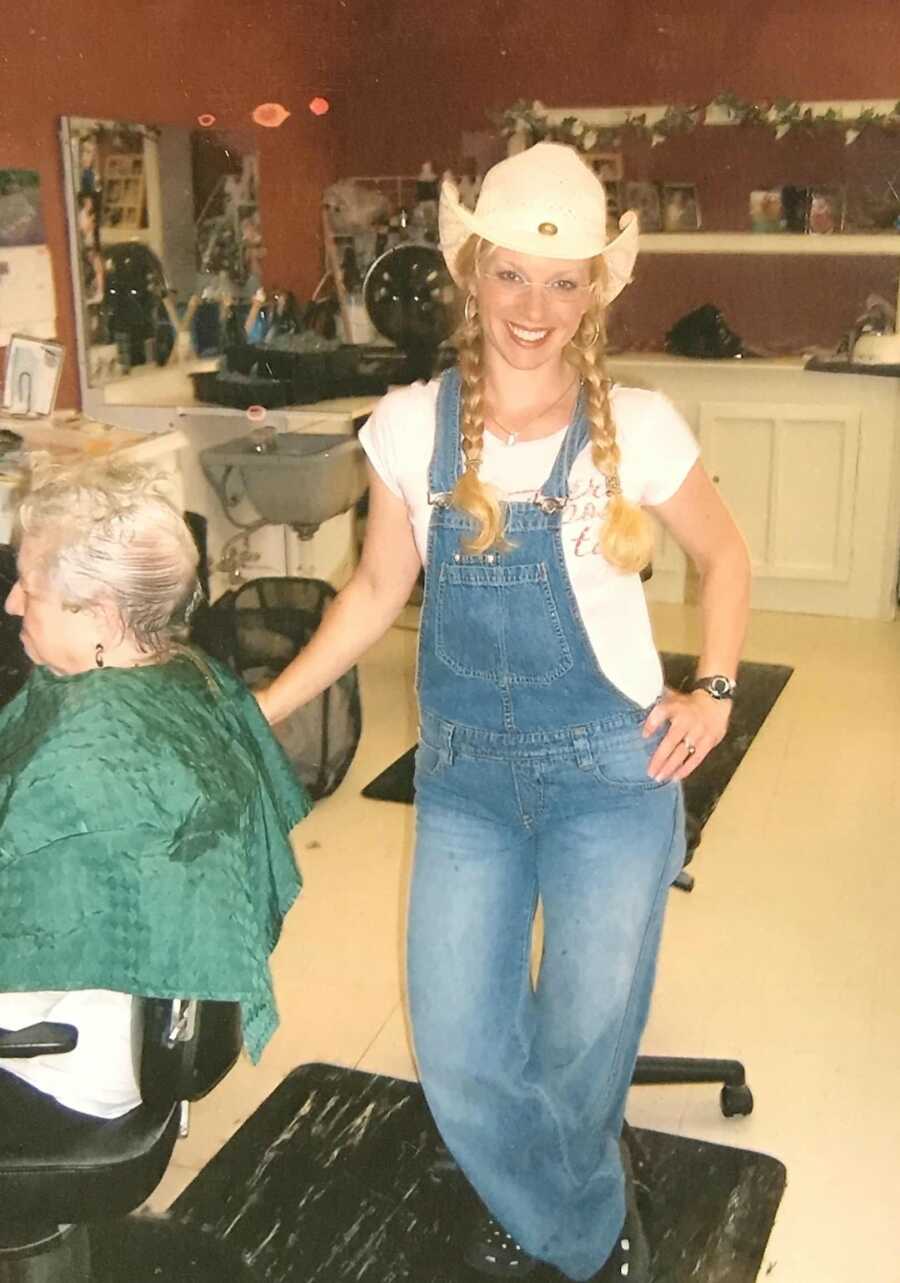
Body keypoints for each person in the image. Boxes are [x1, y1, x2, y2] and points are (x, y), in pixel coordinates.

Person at [256, 142, 750, 1282]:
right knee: (464, 1048)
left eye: (565, 278)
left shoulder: (641, 421)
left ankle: (557, 1224)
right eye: (513, 275)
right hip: (469, 781)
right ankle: (578, 1217)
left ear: (594, 295)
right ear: (471, 274)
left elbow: (725, 557)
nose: (536, 306)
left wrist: (714, 693)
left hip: (610, 778)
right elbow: (377, 591)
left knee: (582, 1048)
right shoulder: (407, 427)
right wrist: (264, 707)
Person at [0, 458, 308, 1130]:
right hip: (126, 1013)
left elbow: (21, 940)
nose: (12, 604)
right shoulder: (186, 673)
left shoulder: (92, 754)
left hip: (70, 1058)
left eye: (29, 589)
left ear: (99, 613)